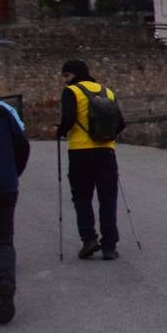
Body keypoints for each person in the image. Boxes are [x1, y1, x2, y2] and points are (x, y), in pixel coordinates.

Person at [56, 60, 125, 261]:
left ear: (74, 75)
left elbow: (68, 119)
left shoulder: (72, 91)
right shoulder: (107, 91)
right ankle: (110, 245)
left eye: (66, 76)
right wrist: (107, 136)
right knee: (108, 199)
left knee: (82, 198)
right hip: (106, 152)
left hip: (80, 152)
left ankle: (89, 240)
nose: (65, 81)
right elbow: (120, 123)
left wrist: (60, 131)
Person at [0, 95, 29, 325]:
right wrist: (13, 173)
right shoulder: (4, 112)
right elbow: (22, 144)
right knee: (4, 241)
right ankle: (6, 282)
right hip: (5, 186)